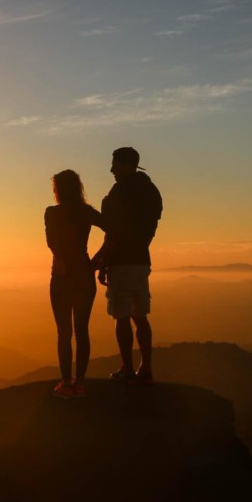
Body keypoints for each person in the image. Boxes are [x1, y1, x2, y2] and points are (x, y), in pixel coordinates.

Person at [94, 147, 163, 385]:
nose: (111, 169)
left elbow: (115, 231)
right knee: (140, 315)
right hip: (141, 259)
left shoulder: (120, 190)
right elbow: (146, 228)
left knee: (121, 316)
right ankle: (146, 366)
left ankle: (127, 367)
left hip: (122, 262)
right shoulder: (151, 191)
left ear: (126, 164)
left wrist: (100, 260)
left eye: (115, 164)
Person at [45, 169, 104, 399]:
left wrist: (60, 261)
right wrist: (98, 260)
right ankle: (80, 382)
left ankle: (66, 382)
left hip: (61, 278)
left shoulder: (51, 213)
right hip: (83, 274)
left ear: (58, 189)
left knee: (64, 332)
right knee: (81, 331)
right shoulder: (86, 212)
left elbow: (52, 241)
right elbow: (114, 230)